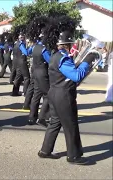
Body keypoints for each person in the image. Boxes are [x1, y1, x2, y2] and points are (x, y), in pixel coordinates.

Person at [38, 31, 95, 165]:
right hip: (63, 95)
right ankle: (74, 156)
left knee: (55, 123)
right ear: (67, 45)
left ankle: (45, 151)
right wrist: (87, 61)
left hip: (54, 93)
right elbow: (76, 76)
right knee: (71, 125)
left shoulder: (54, 55)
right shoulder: (63, 57)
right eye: (71, 44)